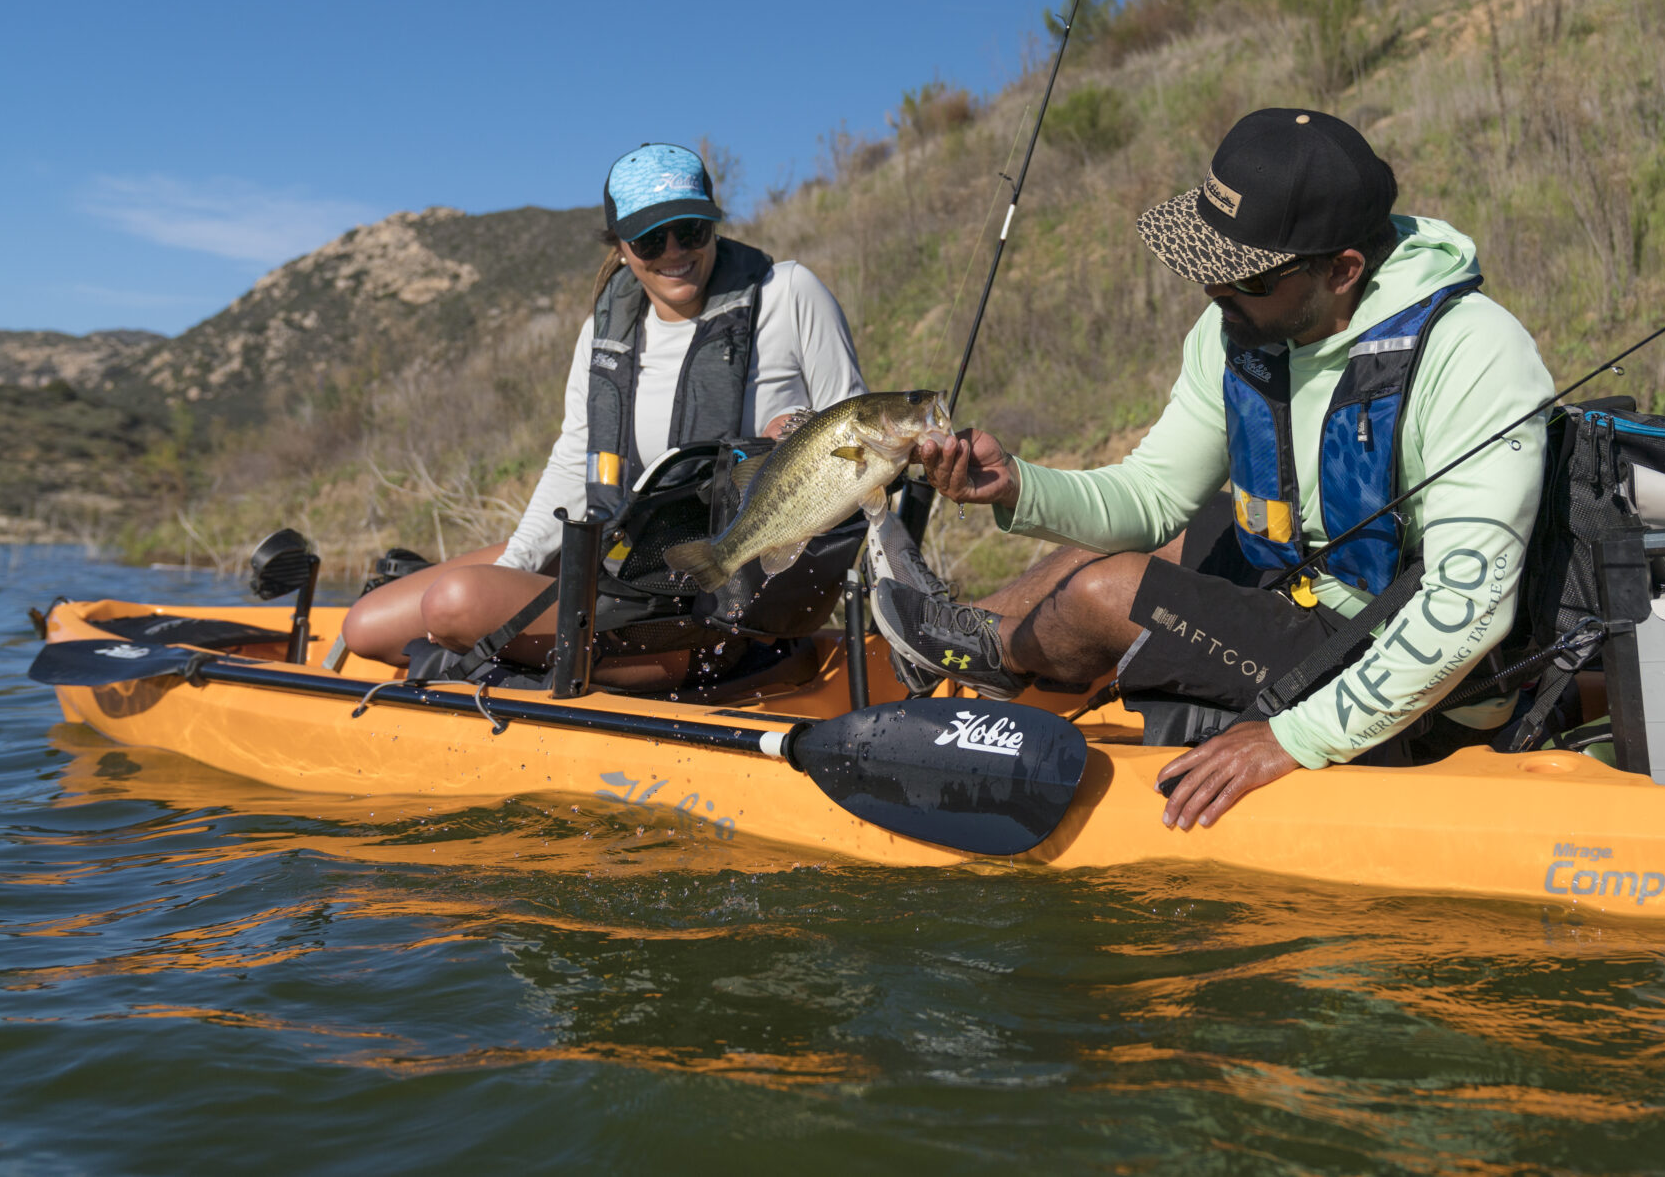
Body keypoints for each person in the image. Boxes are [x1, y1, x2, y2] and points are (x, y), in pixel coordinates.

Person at [868, 107, 1552, 828]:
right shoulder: (1237, 327)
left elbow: (1466, 609)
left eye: (1242, 278)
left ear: (1342, 270)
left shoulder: (1474, 353)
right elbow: (1152, 496)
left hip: (1415, 672)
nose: (1212, 293)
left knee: (1106, 589)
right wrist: (1017, 484)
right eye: (1206, 266)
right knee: (1133, 541)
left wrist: (1295, 738)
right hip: (1300, 593)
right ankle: (950, 650)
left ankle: (997, 659)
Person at [341, 142, 866, 686]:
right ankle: (503, 647)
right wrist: (515, 567)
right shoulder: (604, 329)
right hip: (617, 556)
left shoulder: (789, 293)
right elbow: (574, 463)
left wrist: (793, 437)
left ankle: (501, 656)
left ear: (714, 224)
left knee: (451, 604)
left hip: (705, 601)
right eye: (648, 238)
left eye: (690, 230)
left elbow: (861, 447)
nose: (672, 251)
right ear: (619, 244)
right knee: (366, 627)